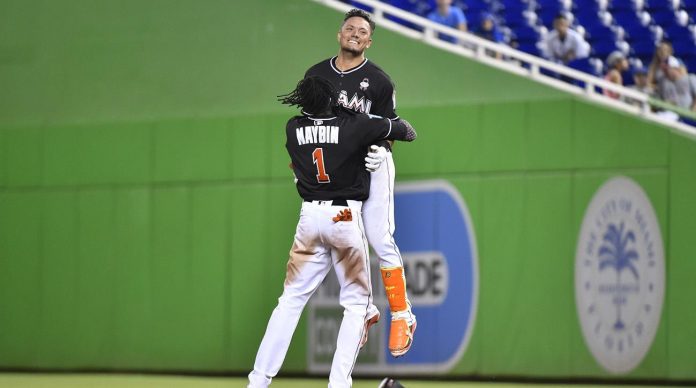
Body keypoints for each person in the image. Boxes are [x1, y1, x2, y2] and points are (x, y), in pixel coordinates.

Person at [247, 76, 417, 388]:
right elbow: (407, 131)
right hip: (343, 215)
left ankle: (257, 382)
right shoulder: (354, 125)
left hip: (310, 217)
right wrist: (381, 142)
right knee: (355, 305)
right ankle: (338, 384)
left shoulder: (292, 128)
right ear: (329, 99)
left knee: (290, 301)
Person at [305, 9, 417, 358]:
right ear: (339, 34)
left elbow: (392, 127)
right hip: (337, 170)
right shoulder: (316, 75)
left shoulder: (379, 82)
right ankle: (366, 308)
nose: (355, 33)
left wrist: (383, 151)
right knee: (340, 238)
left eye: (362, 31)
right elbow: (306, 127)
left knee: (380, 238)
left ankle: (402, 314)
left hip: (372, 163)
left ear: (369, 41)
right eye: (349, 28)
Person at [647, 40, 695, 111]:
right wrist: (658, 87)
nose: (662, 52)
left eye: (665, 50)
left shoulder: (677, 63)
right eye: (660, 50)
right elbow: (649, 82)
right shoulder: (655, 66)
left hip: (681, 99)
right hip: (665, 92)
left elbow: (682, 80)